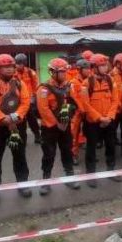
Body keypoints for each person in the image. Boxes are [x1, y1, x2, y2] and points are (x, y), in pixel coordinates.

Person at [0, 54, 32, 204]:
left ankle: (22, 184)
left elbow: (26, 102)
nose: (10, 69)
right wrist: (3, 119)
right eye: (6, 67)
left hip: (17, 126)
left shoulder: (19, 84)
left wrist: (15, 117)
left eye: (11, 66)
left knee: (20, 156)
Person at [36, 58, 81, 195]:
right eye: (61, 71)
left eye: (65, 71)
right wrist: (56, 124)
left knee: (67, 151)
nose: (64, 74)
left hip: (65, 125)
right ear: (52, 72)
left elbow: (74, 103)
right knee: (49, 154)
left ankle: (69, 176)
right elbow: (43, 109)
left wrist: (68, 118)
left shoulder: (69, 86)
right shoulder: (44, 88)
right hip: (49, 127)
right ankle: (46, 181)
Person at [80, 54, 120, 188]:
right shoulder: (86, 84)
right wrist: (99, 118)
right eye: (102, 65)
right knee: (91, 148)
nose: (105, 68)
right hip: (93, 122)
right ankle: (90, 175)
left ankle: (111, 170)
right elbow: (86, 105)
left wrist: (109, 117)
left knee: (111, 146)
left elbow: (115, 100)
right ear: (94, 68)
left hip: (109, 120)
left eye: (105, 65)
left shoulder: (110, 80)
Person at [14, 54, 41, 144]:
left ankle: (37, 135)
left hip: (28, 101)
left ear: (24, 63)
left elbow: (35, 86)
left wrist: (34, 97)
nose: (17, 65)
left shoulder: (30, 72)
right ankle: (18, 136)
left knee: (32, 119)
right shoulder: (13, 73)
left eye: (19, 63)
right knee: (18, 120)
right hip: (16, 101)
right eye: (16, 63)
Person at [70, 58, 91, 163]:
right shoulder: (73, 82)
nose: (88, 70)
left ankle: (91, 154)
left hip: (89, 112)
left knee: (90, 133)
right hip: (78, 112)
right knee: (74, 132)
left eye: (89, 68)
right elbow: (75, 97)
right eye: (85, 69)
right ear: (79, 70)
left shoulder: (92, 80)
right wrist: (82, 109)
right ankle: (74, 153)